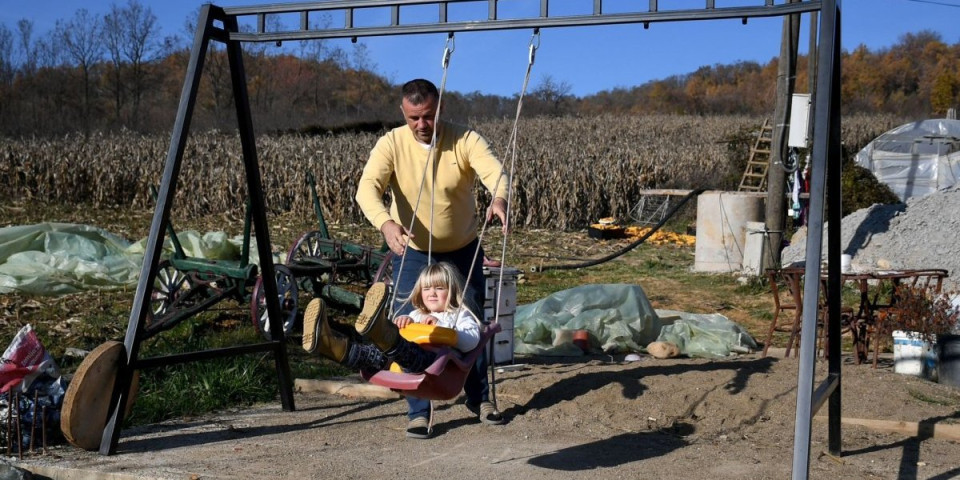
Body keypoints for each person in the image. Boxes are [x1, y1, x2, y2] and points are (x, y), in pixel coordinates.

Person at [355, 78, 508, 430]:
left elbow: (495, 172)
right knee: (408, 325)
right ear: (402, 114)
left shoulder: (464, 139)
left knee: (471, 325)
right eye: (414, 118)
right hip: (413, 251)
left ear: (441, 108)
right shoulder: (391, 143)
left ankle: (480, 398)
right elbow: (367, 190)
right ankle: (418, 411)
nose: (422, 125)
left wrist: (499, 199)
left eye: (428, 116)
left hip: (463, 249)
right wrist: (386, 224)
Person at [302, 262, 481, 438]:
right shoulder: (416, 315)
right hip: (403, 365)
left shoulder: (459, 315)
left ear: (452, 292)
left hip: (437, 371)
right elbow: (408, 326)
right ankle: (331, 345)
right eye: (427, 289)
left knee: (406, 351)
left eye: (440, 288)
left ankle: (383, 332)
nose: (432, 293)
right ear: (419, 292)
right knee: (372, 356)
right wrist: (403, 321)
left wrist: (440, 327)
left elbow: (471, 341)